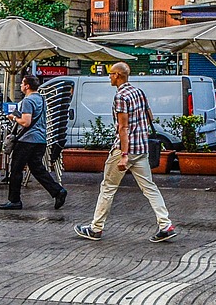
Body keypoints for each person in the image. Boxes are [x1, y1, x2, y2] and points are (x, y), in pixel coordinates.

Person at [75, 62, 176, 243]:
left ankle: (96, 228)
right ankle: (165, 224)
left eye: (111, 74)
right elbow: (150, 117)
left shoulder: (121, 96)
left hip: (125, 150)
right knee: (149, 187)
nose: (109, 76)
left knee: (108, 187)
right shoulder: (139, 92)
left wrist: (123, 154)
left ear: (118, 76)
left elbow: (123, 127)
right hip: (142, 148)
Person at [0, 75, 67, 211]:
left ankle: (14, 200)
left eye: (22, 83)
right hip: (40, 139)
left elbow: (26, 122)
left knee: (16, 170)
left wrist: (13, 117)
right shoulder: (41, 99)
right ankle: (57, 191)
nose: (20, 86)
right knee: (37, 168)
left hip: (27, 140)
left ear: (27, 86)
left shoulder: (28, 101)